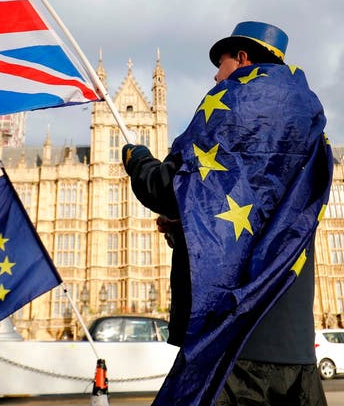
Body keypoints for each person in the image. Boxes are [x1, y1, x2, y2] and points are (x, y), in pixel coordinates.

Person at [121, 21, 332, 405]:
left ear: (242, 58)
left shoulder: (241, 109)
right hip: (295, 349)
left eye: (220, 66)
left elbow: (170, 189)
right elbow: (257, 217)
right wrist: (187, 225)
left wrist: (139, 162)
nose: (216, 77)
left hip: (237, 347)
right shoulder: (306, 123)